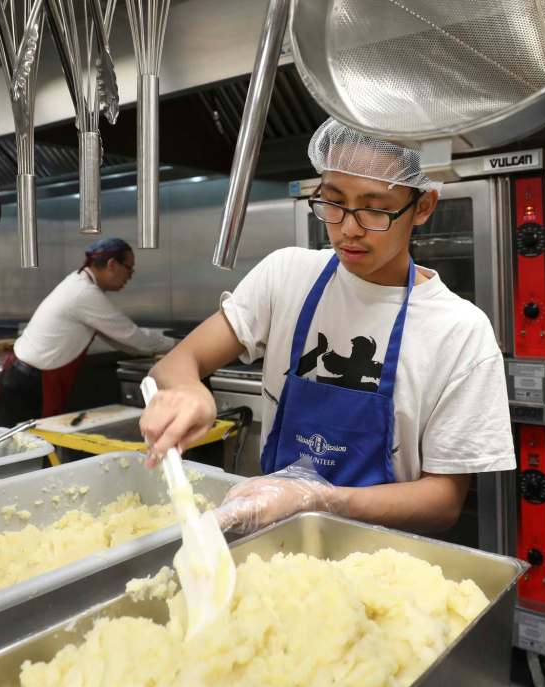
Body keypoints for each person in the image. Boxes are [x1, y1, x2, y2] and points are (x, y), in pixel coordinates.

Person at [139, 119, 516, 535]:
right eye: (333, 202)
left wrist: (319, 499)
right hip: (275, 540)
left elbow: (443, 502)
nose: (347, 228)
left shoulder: (460, 331)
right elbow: (177, 363)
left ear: (423, 206)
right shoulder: (287, 275)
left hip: (385, 565)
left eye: (374, 208)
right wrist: (191, 390)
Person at [0, 237, 175, 426]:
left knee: (24, 449)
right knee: (27, 448)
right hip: (30, 386)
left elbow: (122, 340)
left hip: (23, 379)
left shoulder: (77, 282)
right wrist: (179, 345)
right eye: (129, 268)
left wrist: (157, 345)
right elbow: (134, 338)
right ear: (112, 264)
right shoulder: (84, 293)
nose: (130, 276)